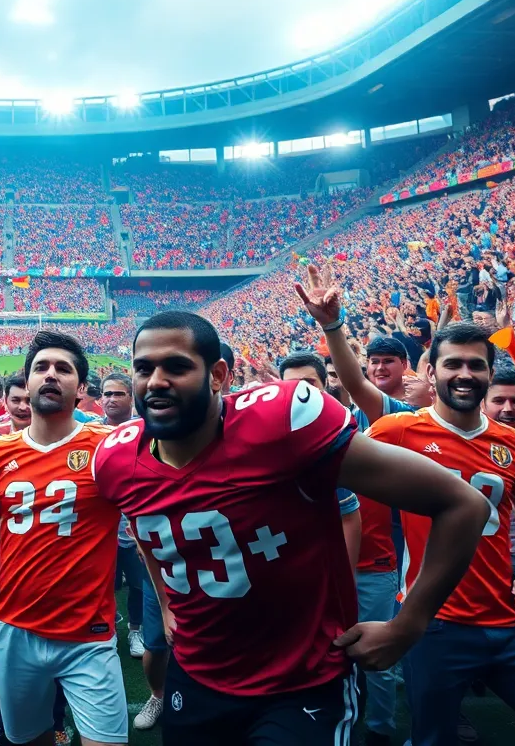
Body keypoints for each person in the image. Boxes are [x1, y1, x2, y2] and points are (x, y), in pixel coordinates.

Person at [93, 311, 488, 745]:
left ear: (218, 374)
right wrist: (167, 603)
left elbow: (462, 504)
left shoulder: (279, 424)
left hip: (301, 683)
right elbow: (152, 536)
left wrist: (408, 625)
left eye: (177, 367)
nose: (156, 382)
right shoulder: (115, 460)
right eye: (144, 368)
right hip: (197, 675)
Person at [367, 322, 515, 746]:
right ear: (431, 373)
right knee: (434, 739)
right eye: (453, 364)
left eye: (476, 365)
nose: (465, 374)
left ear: (490, 373)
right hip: (434, 623)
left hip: (507, 623)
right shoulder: (396, 432)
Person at [0, 330, 128, 746]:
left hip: (89, 634)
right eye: (40, 368)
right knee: (29, 739)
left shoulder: (109, 447)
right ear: (26, 382)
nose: (50, 375)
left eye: (63, 369)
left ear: (81, 389)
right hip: (15, 628)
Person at [296, 264, 418, 744]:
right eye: (375, 361)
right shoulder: (317, 425)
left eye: (390, 361)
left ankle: (380, 730)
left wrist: (332, 326)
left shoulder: (396, 419)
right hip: (316, 558)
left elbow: (356, 381)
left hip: (376, 558)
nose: (379, 368)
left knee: (376, 657)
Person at [277, 351, 363, 570]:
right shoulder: (274, 436)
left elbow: (348, 516)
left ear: (325, 384)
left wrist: (346, 578)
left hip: (337, 564)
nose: (300, 391)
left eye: (308, 383)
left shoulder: (336, 432)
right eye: (291, 385)